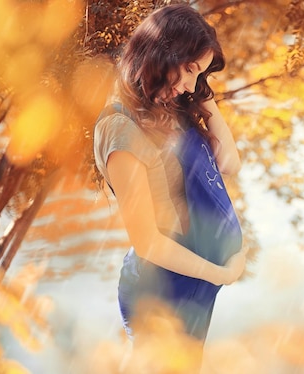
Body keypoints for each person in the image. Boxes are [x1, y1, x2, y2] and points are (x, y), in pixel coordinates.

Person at [93, 2, 247, 357]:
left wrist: (203, 97)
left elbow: (228, 162)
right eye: (190, 69)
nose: (191, 84)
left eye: (200, 74)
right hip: (161, 288)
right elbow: (147, 241)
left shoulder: (168, 102)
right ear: (162, 54)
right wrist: (219, 274)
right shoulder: (121, 129)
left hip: (193, 278)